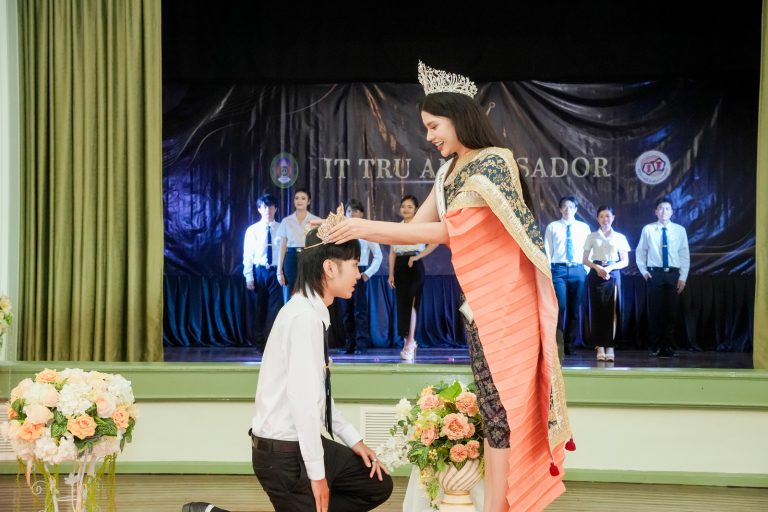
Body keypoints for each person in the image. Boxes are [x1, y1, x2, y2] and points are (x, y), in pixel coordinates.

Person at [326, 61, 572, 512]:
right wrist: (352, 228)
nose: (429, 137)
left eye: (433, 126)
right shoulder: (447, 174)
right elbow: (413, 233)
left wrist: (360, 226)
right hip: (477, 307)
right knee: (495, 414)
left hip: (508, 307)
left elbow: (448, 232)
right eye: (426, 127)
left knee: (506, 411)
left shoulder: (493, 163)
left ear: (458, 118)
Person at [251, 216, 393, 511]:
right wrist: (317, 476)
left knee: (375, 483)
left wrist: (354, 440)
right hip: (283, 456)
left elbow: (318, 398)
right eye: (354, 265)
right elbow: (303, 403)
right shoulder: (303, 318)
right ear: (329, 268)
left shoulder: (311, 312)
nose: (358, 274)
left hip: (296, 445)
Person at [635, 197, 690, 358]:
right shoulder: (648, 229)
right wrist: (644, 271)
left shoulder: (679, 230)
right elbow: (641, 252)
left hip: (673, 274)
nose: (664, 211)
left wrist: (683, 277)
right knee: (655, 312)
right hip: (655, 274)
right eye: (660, 208)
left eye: (667, 208)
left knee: (671, 311)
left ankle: (669, 346)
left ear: (672, 212)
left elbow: (684, 254)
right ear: (655, 211)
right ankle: (655, 346)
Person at [388, 195, 438, 360]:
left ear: (416, 209)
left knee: (411, 305)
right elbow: (392, 253)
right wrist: (391, 274)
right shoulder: (396, 227)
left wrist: (417, 257)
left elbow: (435, 242)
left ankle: (409, 343)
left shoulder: (421, 226)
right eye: (403, 206)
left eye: (410, 207)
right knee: (402, 306)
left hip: (414, 266)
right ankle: (408, 341)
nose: (406, 209)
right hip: (400, 266)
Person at [544, 196, 591, 358]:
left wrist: (585, 269)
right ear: (560, 209)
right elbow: (548, 250)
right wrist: (549, 269)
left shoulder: (584, 228)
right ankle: (557, 342)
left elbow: (589, 249)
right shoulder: (552, 227)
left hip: (578, 270)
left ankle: (569, 344)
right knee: (560, 307)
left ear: (576, 209)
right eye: (564, 206)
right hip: (559, 271)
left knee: (574, 309)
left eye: (571, 207)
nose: (568, 210)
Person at [582, 206, 631, 363]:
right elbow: (585, 259)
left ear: (613, 218)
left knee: (612, 311)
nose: (605, 219)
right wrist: (597, 268)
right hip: (596, 275)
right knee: (597, 311)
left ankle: (610, 346)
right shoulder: (592, 236)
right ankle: (599, 347)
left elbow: (625, 261)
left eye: (608, 216)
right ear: (597, 219)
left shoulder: (620, 237)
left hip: (613, 274)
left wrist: (609, 268)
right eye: (602, 216)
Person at [338, 199, 383, 355]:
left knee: (360, 311)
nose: (352, 214)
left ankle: (361, 345)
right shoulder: (341, 232)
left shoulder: (366, 233)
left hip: (360, 271)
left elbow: (378, 256)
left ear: (362, 214)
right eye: (349, 211)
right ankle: (349, 345)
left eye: (355, 211)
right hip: (344, 272)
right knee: (346, 311)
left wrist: (367, 274)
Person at [242, 193, 283, 350]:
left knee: (275, 309)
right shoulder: (252, 230)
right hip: (259, 272)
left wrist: (281, 272)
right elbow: (248, 255)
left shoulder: (282, 228)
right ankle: (259, 343)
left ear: (276, 209)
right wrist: (249, 276)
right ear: (259, 209)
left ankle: (271, 344)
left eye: (271, 207)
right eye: (264, 207)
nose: (268, 210)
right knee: (260, 308)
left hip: (276, 272)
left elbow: (284, 252)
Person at [276, 188, 320, 302]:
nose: (299, 201)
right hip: (291, 258)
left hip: (309, 257)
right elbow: (282, 246)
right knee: (289, 293)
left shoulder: (316, 221)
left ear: (308, 201)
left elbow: (320, 244)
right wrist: (279, 270)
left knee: (309, 292)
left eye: (303, 198)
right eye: (297, 198)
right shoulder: (286, 221)